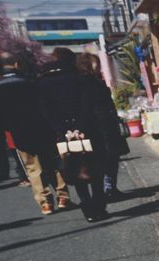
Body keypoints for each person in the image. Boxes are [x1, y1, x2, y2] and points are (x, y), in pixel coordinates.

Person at [0, 52, 69, 214]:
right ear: (17, 64)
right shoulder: (31, 81)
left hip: (19, 132)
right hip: (43, 129)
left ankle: (45, 202)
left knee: (33, 168)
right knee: (54, 164)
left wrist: (9, 126)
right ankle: (63, 196)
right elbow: (44, 105)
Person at [37, 48, 109, 221]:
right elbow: (87, 105)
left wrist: (63, 130)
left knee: (73, 168)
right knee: (95, 166)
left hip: (62, 133)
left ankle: (87, 207)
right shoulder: (81, 79)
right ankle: (99, 204)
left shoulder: (42, 83)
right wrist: (80, 127)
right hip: (88, 129)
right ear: (71, 61)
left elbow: (45, 111)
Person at [76, 53, 128, 197]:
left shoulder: (96, 81)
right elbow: (87, 107)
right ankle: (108, 188)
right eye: (96, 64)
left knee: (112, 156)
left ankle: (110, 187)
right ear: (86, 65)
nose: (99, 67)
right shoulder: (86, 83)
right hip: (100, 126)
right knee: (107, 157)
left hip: (107, 123)